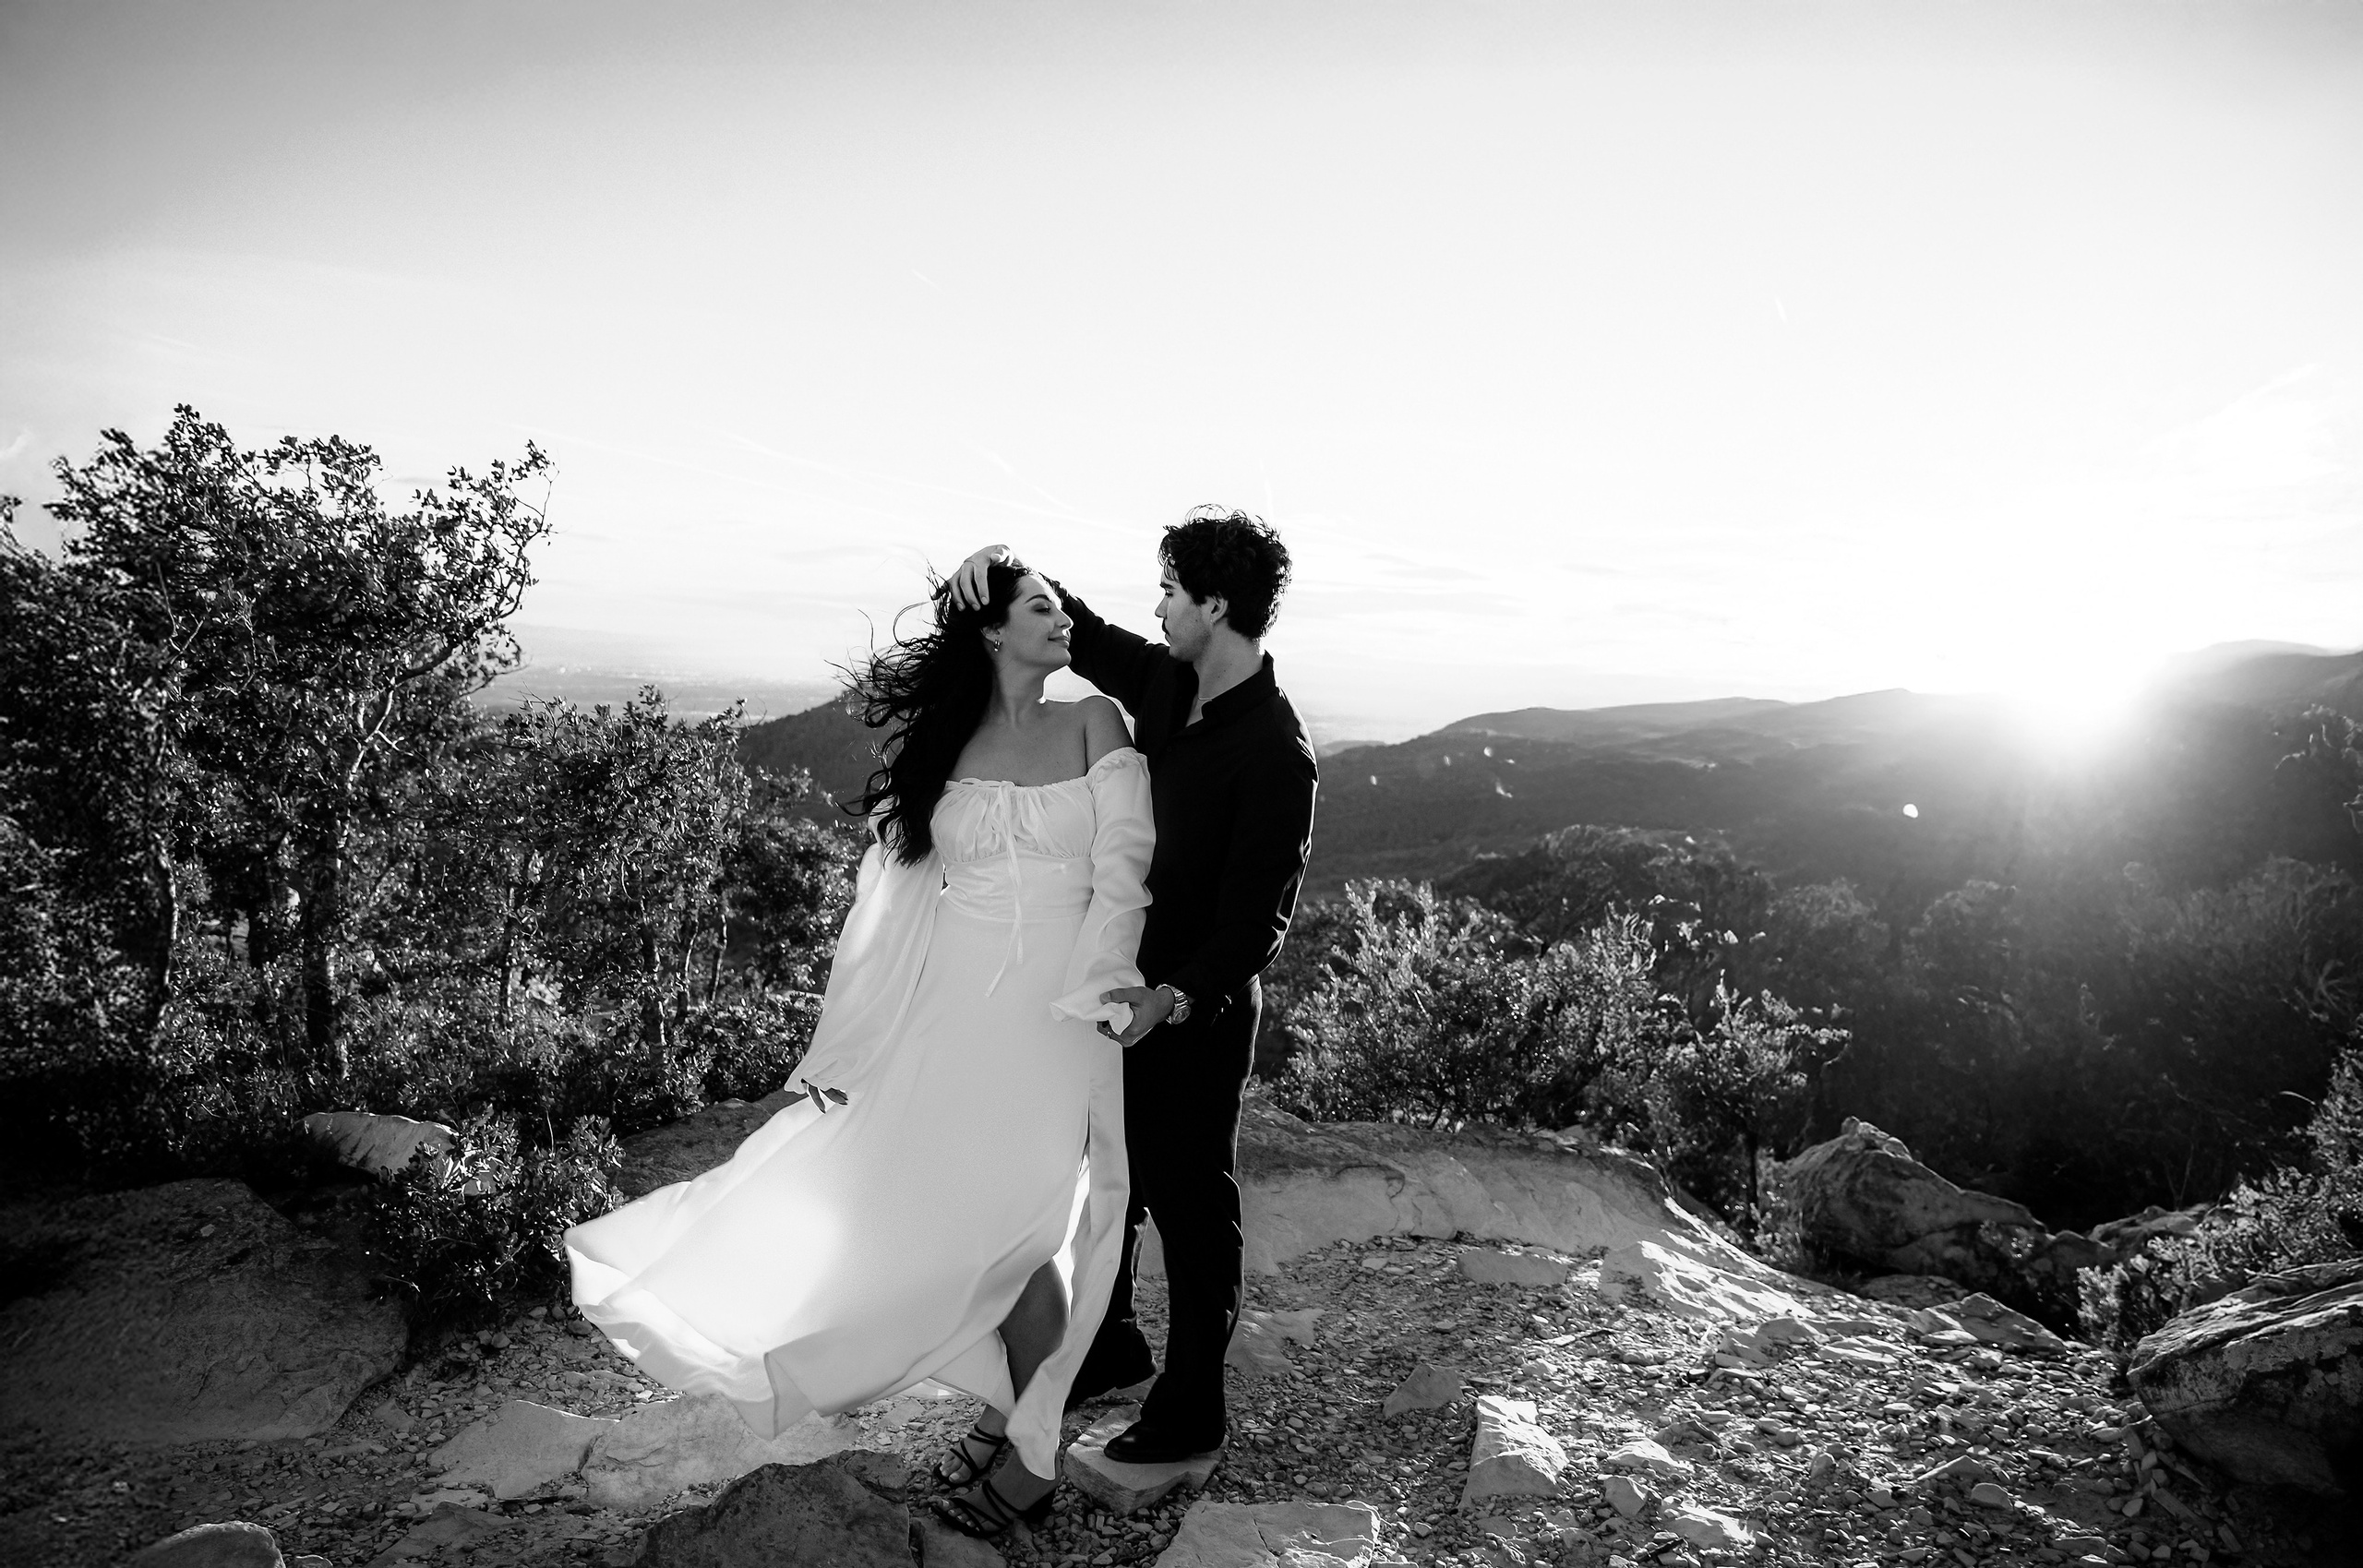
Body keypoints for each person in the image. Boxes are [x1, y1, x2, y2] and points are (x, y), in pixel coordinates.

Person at [565, 561, 1153, 1542]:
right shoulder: (944, 747)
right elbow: (890, 905)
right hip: (948, 1006)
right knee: (953, 1216)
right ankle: (1011, 1417)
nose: (1068, 622)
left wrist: (1107, 986)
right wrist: (855, 1044)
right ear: (991, 634)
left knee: (1018, 1227)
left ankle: (1035, 1448)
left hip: (1058, 1013)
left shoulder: (1097, 722)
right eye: (1044, 607)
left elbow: (1125, 874)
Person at [950, 507, 1318, 1465]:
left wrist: (1178, 997)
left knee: (1191, 1203)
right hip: (1116, 988)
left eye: (1168, 591)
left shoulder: (1276, 750)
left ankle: (1193, 1408)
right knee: (1107, 1171)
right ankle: (1108, 1346)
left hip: (1195, 1012)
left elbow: (1256, 921)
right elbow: (1079, 630)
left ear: (1215, 603)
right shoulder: (1164, 685)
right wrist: (1004, 563)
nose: (1154, 609)